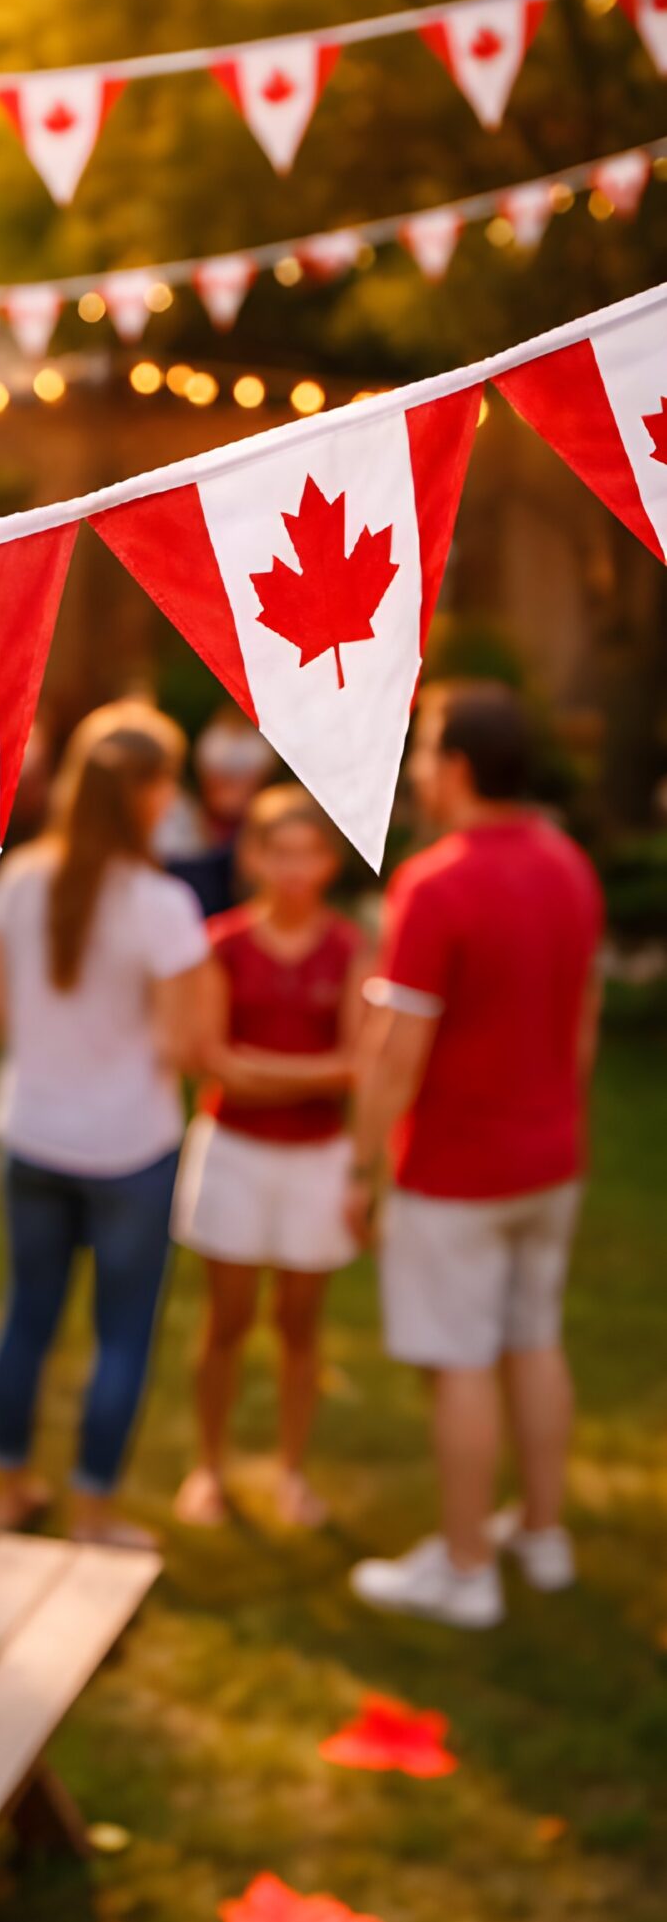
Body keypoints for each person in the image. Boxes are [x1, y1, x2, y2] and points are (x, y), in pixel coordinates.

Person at [346, 684, 603, 1629]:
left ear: (455, 769)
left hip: (458, 1172)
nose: (416, 771)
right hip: (550, 1160)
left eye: (422, 753)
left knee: (459, 1363)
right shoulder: (570, 864)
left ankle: (464, 1572)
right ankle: (540, 1535)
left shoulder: (436, 881)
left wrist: (359, 1168)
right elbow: (583, 1022)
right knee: (533, 1340)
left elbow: (394, 1055)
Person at [0, 702, 210, 1546]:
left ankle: (9, 1488)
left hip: (32, 1130)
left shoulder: (22, 878)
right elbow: (186, 1044)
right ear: (148, 794)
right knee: (122, 1335)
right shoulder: (162, 904)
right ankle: (92, 1511)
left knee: (26, 1316)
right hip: (128, 1147)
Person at [171, 786, 368, 1529]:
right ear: (252, 856)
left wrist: (262, 1068)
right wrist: (307, 1069)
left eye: (308, 852)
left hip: (316, 1156)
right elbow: (210, 1058)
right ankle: (210, 1467)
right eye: (277, 851)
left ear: (328, 861)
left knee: (300, 1324)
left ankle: (291, 1469)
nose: (293, 868)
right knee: (225, 1320)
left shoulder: (349, 946)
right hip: (234, 1153)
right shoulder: (222, 942)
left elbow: (357, 1063)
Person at [157, 707, 277, 918]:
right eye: (219, 773)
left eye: (242, 774)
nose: (229, 783)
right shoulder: (174, 822)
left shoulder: (277, 831)